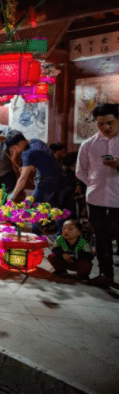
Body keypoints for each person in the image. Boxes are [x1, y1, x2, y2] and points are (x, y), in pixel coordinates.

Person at [76, 103, 119, 288]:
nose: (105, 128)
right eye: (101, 124)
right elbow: (80, 171)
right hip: (96, 199)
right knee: (100, 238)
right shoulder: (89, 145)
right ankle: (105, 274)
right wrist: (93, 184)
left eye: (110, 122)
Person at [6, 132, 63, 204]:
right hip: (58, 176)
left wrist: (13, 195)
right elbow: (43, 160)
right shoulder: (36, 141)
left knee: (37, 207)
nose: (15, 150)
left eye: (14, 148)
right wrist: (27, 168)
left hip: (47, 182)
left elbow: (23, 178)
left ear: (20, 143)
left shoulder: (27, 153)